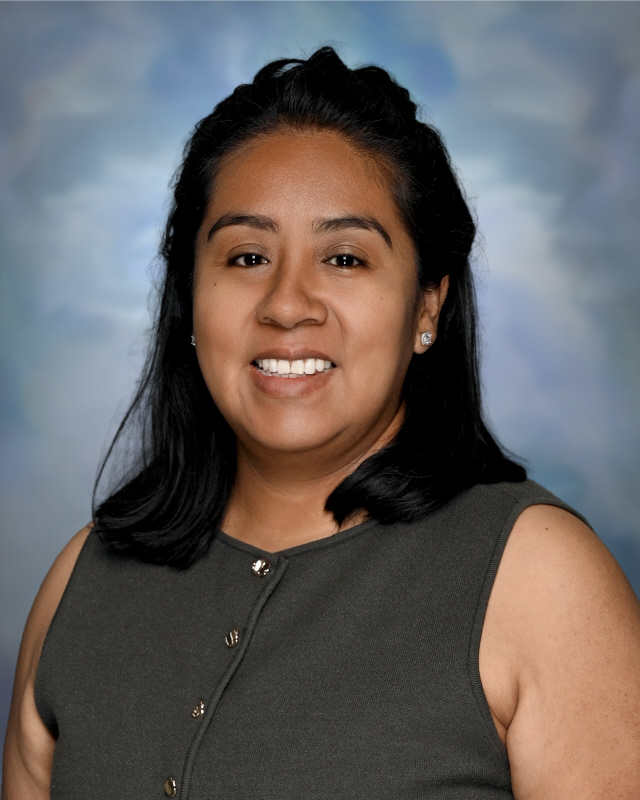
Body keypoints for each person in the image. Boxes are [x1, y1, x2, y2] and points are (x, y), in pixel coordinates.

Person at [3, 47, 640, 800]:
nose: (286, 304)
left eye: (344, 258)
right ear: (188, 302)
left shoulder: (538, 578)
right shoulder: (85, 577)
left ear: (427, 307)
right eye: (246, 256)